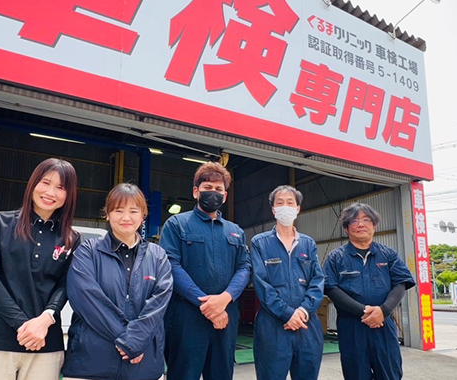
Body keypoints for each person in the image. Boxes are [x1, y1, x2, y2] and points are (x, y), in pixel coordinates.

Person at [0, 158, 79, 380]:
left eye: (60, 187)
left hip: (46, 344)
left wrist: (46, 319)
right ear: (33, 183)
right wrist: (24, 325)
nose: (50, 192)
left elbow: (66, 285)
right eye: (45, 182)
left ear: (69, 195)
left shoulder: (72, 239)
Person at [62, 183, 173, 380]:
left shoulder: (158, 256)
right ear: (107, 214)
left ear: (143, 215)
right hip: (92, 364)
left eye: (133, 211)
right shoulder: (88, 251)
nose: (126, 217)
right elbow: (86, 298)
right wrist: (130, 342)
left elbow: (159, 303)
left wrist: (136, 340)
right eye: (118, 210)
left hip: (144, 368)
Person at [159, 161, 251, 380]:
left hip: (225, 316)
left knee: (221, 374)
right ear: (195, 191)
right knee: (183, 374)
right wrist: (207, 304)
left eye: (218, 189)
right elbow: (171, 265)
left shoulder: (236, 232)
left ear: (225, 196)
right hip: (186, 318)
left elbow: (244, 267)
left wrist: (225, 299)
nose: (213, 193)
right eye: (207, 187)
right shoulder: (176, 224)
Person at [322, 203, 416, 380]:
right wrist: (364, 311)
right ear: (346, 228)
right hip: (351, 326)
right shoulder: (336, 257)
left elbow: (401, 283)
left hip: (383, 324)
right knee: (356, 374)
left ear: (374, 225)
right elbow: (330, 288)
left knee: (390, 373)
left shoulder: (388, 254)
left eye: (366, 220)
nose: (360, 224)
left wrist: (383, 311)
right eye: (354, 221)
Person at [251, 185, 325, 380]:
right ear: (273, 209)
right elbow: (261, 283)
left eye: (290, 203)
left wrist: (303, 310)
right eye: (280, 203)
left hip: (306, 324)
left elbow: (317, 281)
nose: (285, 207)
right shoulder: (260, 243)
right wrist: (287, 313)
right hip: (273, 325)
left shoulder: (308, 244)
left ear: (298, 208)